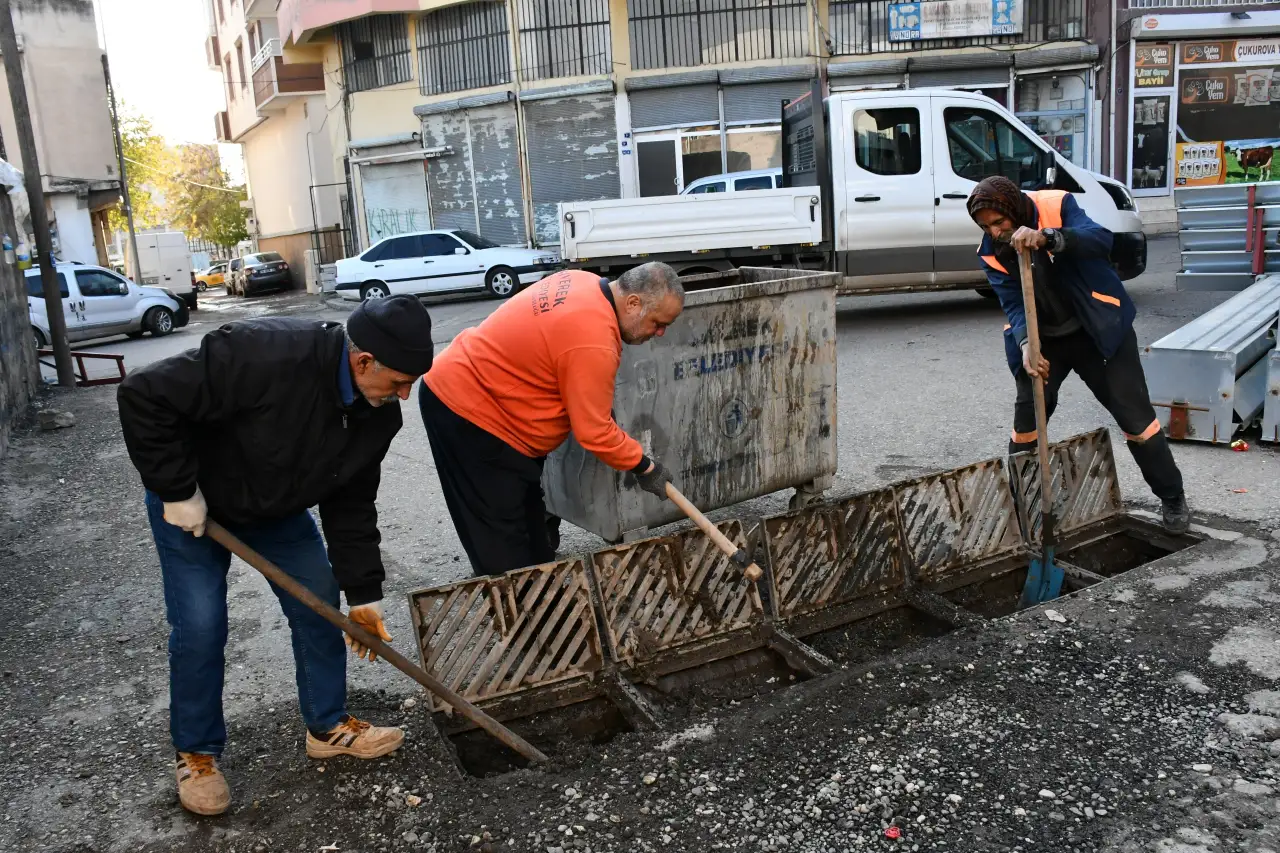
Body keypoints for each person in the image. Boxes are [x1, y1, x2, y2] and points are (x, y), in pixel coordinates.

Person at [117, 296, 434, 816]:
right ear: (363, 361)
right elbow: (143, 395)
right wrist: (176, 490)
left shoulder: (377, 414)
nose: (405, 394)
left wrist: (365, 594)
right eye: (400, 380)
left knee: (319, 606)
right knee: (200, 627)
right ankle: (197, 753)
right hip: (195, 506)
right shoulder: (264, 353)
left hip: (275, 510)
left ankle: (328, 726)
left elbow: (351, 504)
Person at [419, 262, 685, 576]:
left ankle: (539, 594)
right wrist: (646, 467)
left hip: (496, 403)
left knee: (532, 530)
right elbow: (595, 434)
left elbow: (555, 355)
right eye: (657, 323)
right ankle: (518, 609)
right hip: (469, 410)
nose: (660, 333)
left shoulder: (584, 282)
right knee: (502, 541)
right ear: (633, 303)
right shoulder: (594, 338)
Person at [967, 175, 1190, 533]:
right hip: (1046, 341)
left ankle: (1172, 496)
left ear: (1014, 208)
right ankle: (1026, 505)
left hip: (1097, 330)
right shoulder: (991, 252)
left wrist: (1050, 238)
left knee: (1135, 418)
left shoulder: (1056, 205)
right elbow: (1012, 302)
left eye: (999, 222)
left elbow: (1101, 240)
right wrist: (1027, 345)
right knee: (1027, 422)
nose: (994, 232)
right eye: (985, 226)